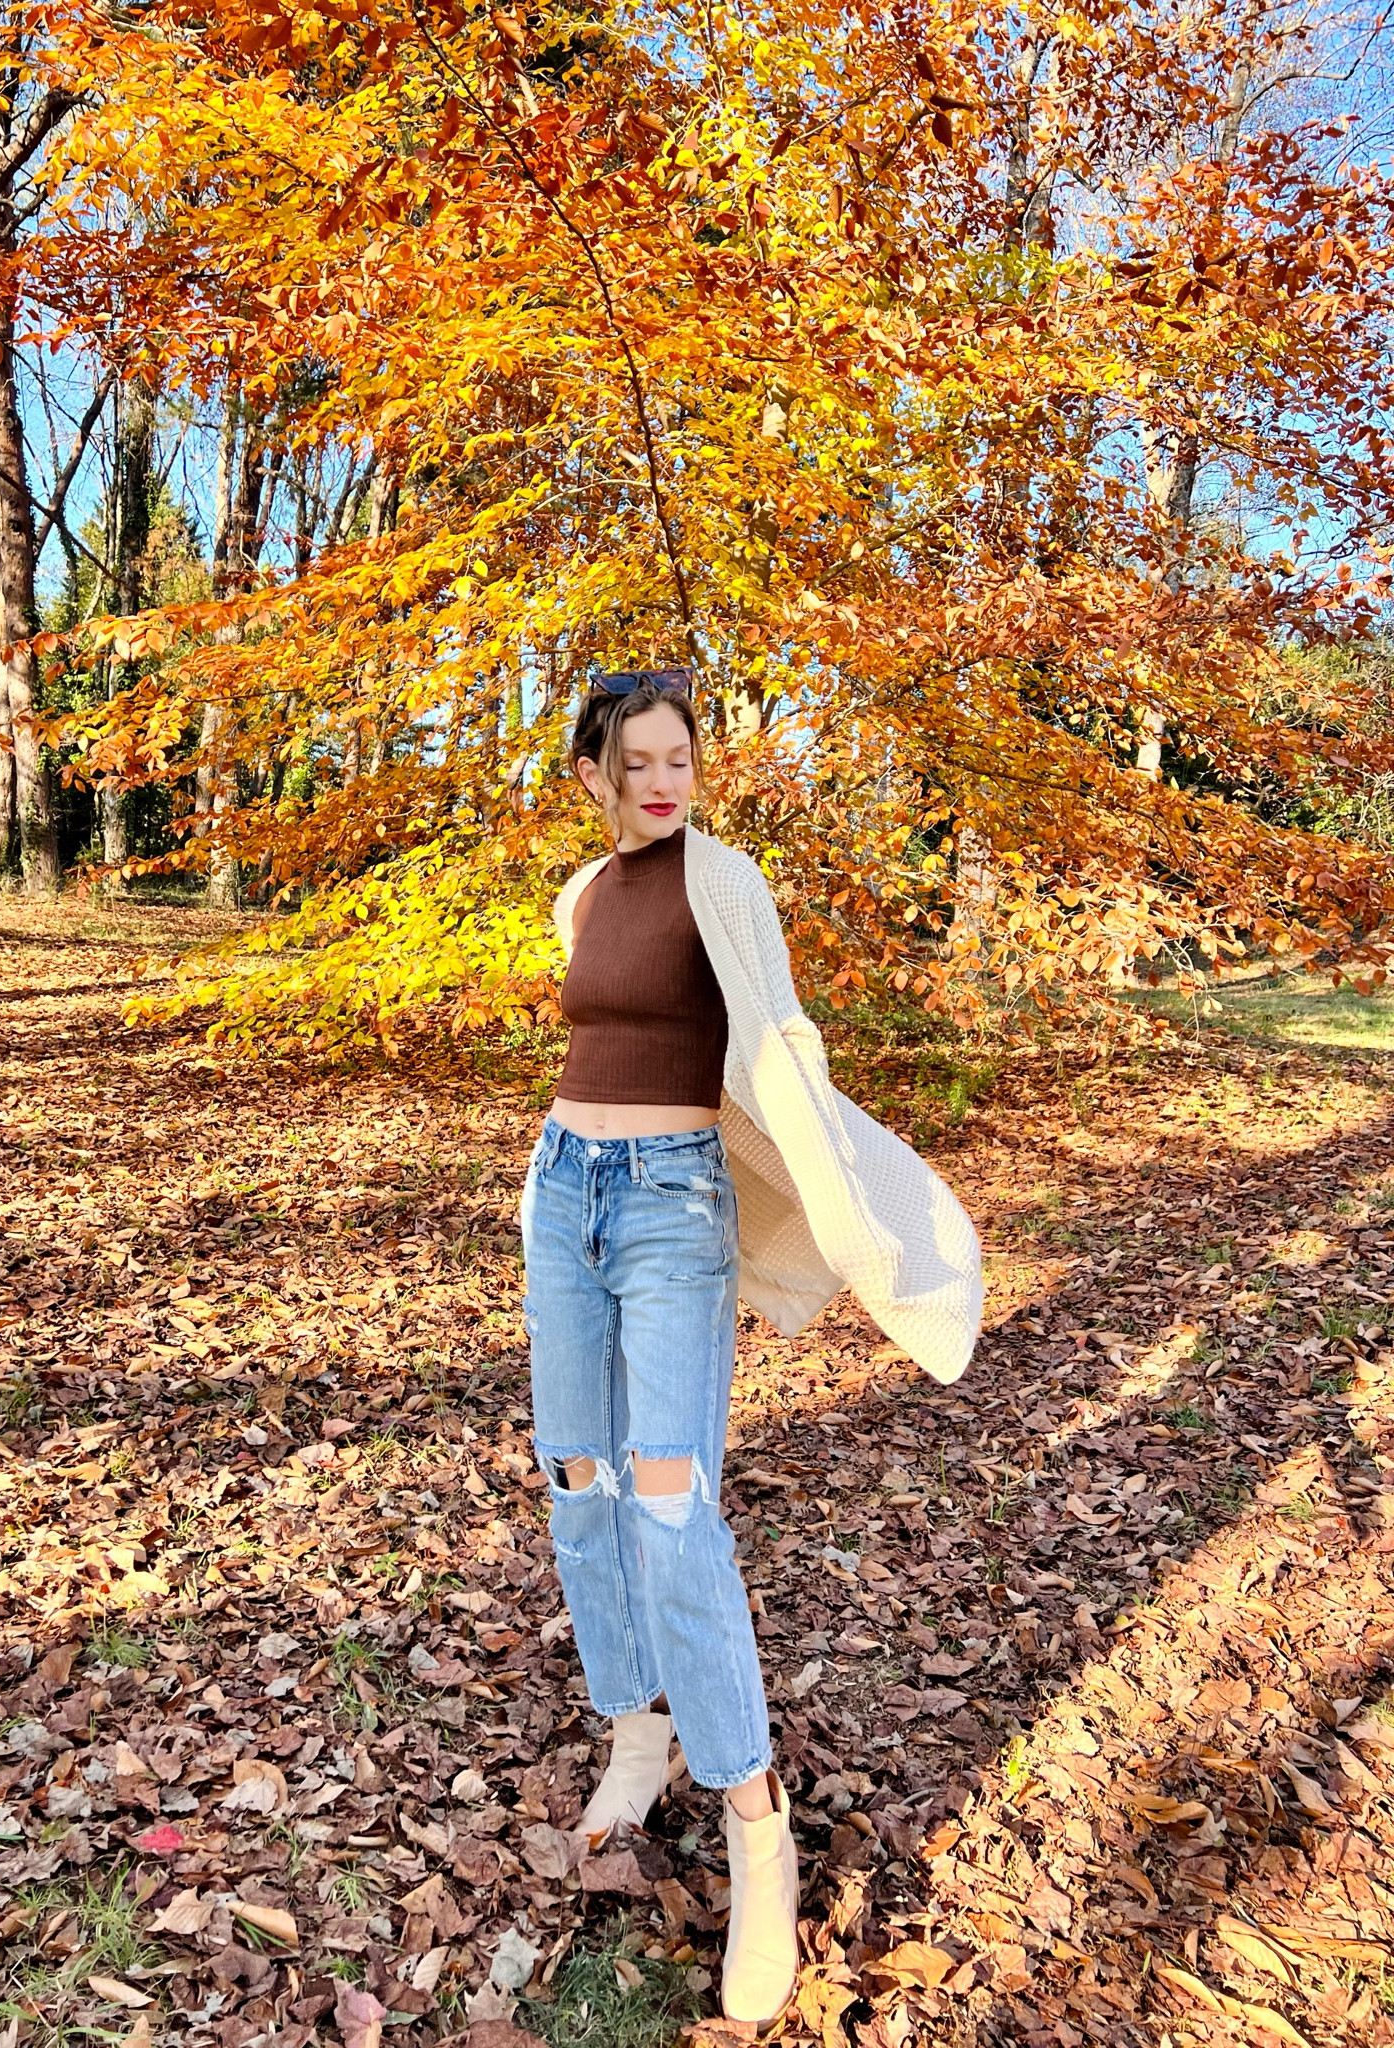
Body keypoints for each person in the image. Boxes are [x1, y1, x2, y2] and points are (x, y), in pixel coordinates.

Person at [520, 671, 982, 2030]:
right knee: (577, 1480)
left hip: (671, 1208)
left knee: (674, 1510)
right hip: (563, 1194)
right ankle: (638, 1726)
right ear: (594, 775)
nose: (664, 782)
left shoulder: (724, 881)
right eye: (638, 762)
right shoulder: (579, 898)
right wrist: (553, 1185)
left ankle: (755, 1823)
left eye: (683, 759)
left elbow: (776, 1048)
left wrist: (861, 1226)